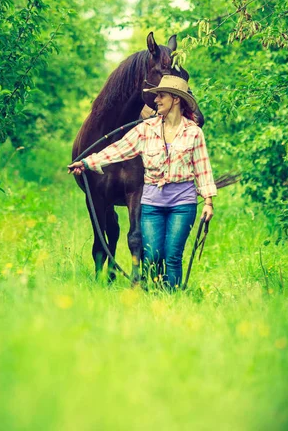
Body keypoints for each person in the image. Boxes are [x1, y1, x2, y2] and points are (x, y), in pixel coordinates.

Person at [68, 75, 216, 289]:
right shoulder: (146, 129)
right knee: (152, 253)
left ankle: (170, 299)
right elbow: (118, 149)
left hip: (182, 201)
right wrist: (87, 163)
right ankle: (151, 293)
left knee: (173, 255)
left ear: (175, 99)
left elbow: (202, 167)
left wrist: (208, 201)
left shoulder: (193, 133)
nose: (156, 100)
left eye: (161, 96)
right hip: (152, 200)